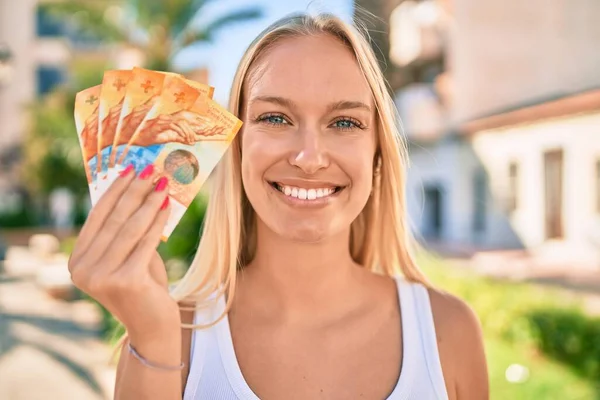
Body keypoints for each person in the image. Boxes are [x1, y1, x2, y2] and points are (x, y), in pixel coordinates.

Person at [68, 13, 489, 400]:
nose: (309, 157)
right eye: (275, 118)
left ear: (378, 152)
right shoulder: (164, 333)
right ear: (236, 149)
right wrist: (154, 338)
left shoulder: (448, 332)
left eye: (345, 123)